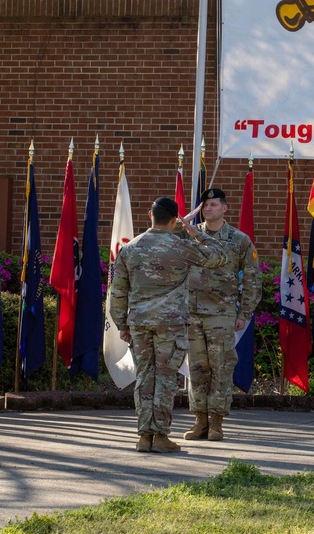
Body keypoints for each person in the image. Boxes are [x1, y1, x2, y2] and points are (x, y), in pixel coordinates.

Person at [108, 196, 227, 453]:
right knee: (164, 377)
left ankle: (143, 437)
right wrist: (195, 232)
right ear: (175, 220)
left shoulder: (130, 249)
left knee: (144, 377)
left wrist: (121, 324)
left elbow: (117, 292)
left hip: (139, 323)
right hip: (170, 325)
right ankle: (160, 436)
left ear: (150, 216)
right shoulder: (181, 246)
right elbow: (219, 257)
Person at [184, 188, 262, 441]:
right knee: (197, 367)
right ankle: (199, 420)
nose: (208, 209)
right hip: (192, 312)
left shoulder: (239, 240)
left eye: (214, 204)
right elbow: (163, 237)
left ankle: (216, 422)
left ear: (225, 209)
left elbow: (252, 278)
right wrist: (184, 221)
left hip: (222, 313)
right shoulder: (189, 236)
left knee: (221, 367)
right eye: (205, 205)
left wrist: (244, 312)